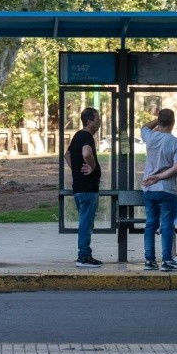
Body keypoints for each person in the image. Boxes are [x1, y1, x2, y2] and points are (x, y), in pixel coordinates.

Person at [141, 109, 177, 272]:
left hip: (148, 189)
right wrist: (159, 177)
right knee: (167, 224)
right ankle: (167, 260)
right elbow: (176, 168)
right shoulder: (176, 142)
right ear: (173, 123)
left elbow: (144, 127)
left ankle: (149, 260)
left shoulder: (150, 137)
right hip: (167, 189)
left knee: (150, 224)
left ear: (159, 122)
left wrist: (156, 121)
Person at [65, 108, 103, 268]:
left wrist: (75, 169)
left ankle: (85, 254)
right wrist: (92, 167)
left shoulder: (77, 136)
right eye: (97, 119)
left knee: (85, 223)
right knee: (86, 224)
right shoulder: (87, 137)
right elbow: (87, 153)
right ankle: (84, 257)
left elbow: (67, 155)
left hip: (79, 187)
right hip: (88, 189)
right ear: (89, 121)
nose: (99, 122)